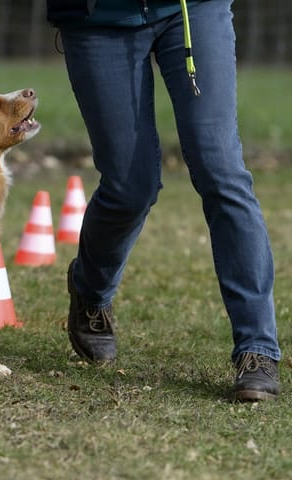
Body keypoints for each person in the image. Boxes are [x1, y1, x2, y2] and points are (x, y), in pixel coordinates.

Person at [46, 0, 281, 401]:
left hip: (191, 10)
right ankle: (91, 292)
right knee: (129, 188)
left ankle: (257, 349)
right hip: (98, 17)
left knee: (221, 171)